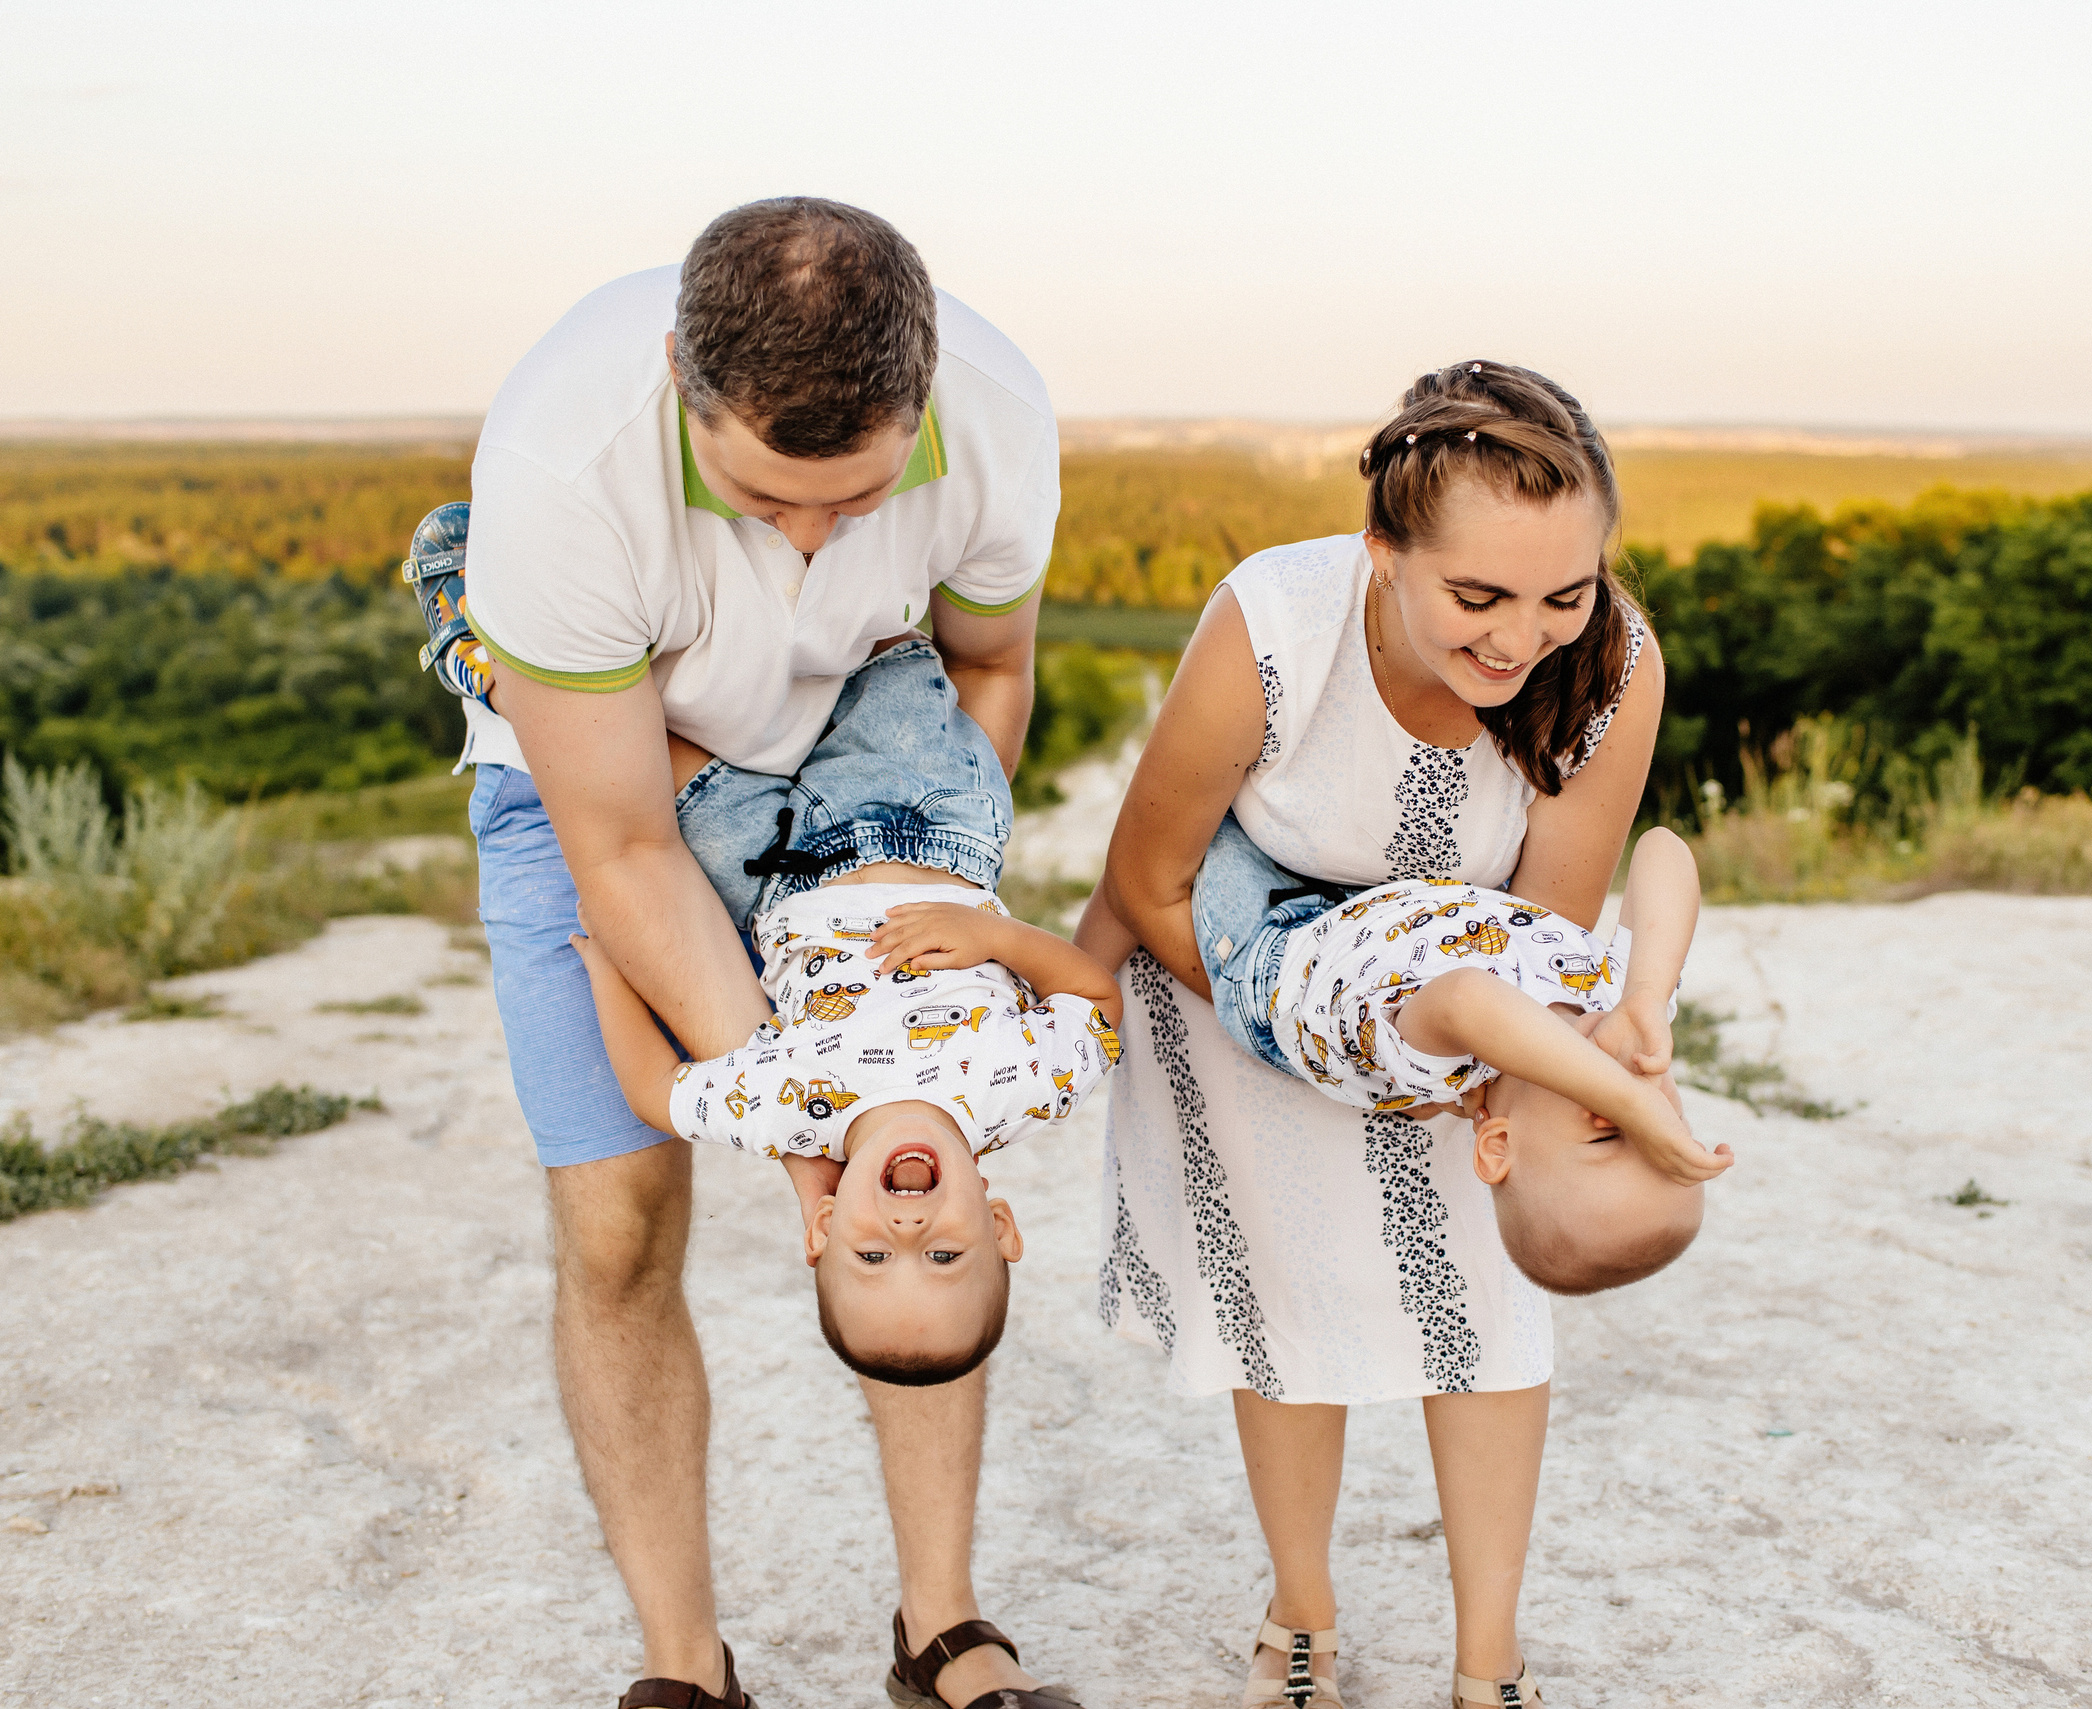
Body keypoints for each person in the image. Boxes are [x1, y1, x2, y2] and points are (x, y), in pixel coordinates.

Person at [409, 198, 1066, 1709]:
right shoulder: (562, 461)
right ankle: (684, 1666)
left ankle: (942, 1629)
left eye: (858, 495)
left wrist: (921, 874)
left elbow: (991, 667)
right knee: (620, 1225)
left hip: (863, 767)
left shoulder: (1002, 411)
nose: (817, 538)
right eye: (769, 497)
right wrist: (809, 1120)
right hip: (604, 784)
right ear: (678, 384)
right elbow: (626, 850)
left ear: (926, 394)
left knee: (926, 1163)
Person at [1087, 360, 1670, 1709]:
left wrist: (1462, 1068)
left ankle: (1491, 1662)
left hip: (1470, 982)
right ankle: (1301, 1615)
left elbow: (1547, 920)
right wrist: (1307, 1034)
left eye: (1562, 593)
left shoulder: (1612, 666)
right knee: (1291, 1309)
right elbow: (1151, 878)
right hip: (1236, 955)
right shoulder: (1276, 625)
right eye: (1478, 596)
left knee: (1487, 1309)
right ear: (1385, 551)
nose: (1521, 636)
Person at [571, 635, 1122, 1385]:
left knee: (623, 741)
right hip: (925, 819)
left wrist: (606, 966)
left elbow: (653, 1089)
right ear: (999, 1227)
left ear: (823, 1228)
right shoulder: (1023, 1088)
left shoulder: (791, 1113)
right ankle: (850, 555)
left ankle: (505, 669)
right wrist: (995, 935)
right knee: (874, 642)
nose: (907, 1228)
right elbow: (1095, 999)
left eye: (871, 1256)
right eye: (943, 1255)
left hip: (769, 865)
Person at [1136, 817, 1725, 1294]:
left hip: (1274, 939)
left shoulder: (1447, 1068)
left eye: (1608, 1137)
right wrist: (1648, 989)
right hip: (1378, 907)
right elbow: (1663, 849)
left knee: (1200, 814)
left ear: (1498, 1144)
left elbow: (1467, 998)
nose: (1623, 1109)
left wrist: (1625, 1097)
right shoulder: (1622, 1014)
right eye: (1662, 1124)